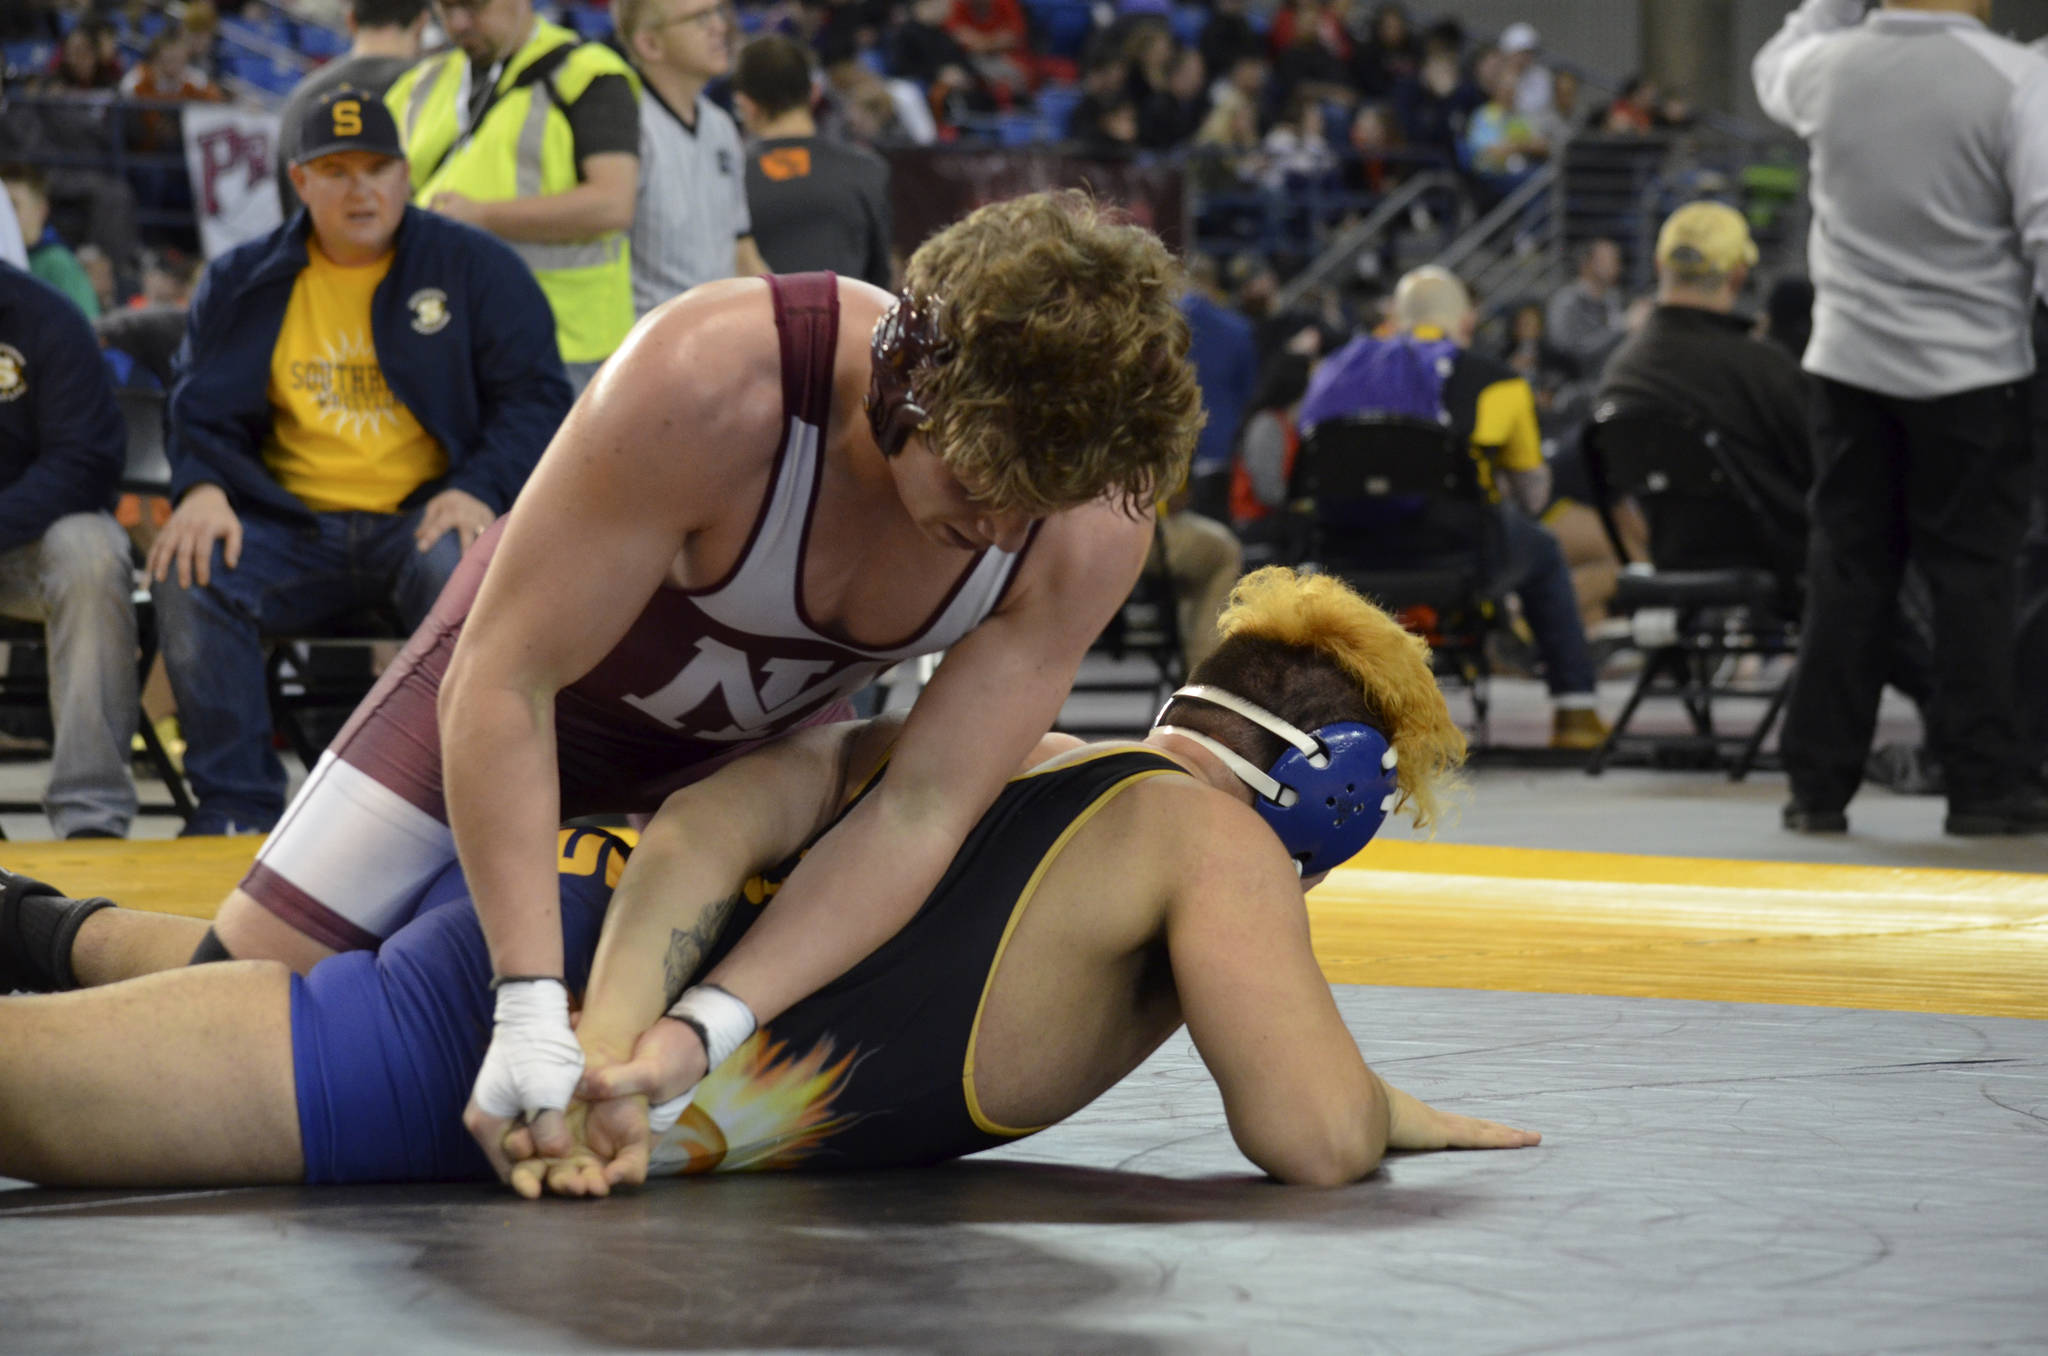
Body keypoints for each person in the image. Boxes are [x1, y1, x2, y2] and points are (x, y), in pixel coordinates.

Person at [179, 190, 1202, 1177]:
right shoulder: (716, 380)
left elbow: (919, 810)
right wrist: (528, 1003)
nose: (998, 535)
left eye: (1036, 510)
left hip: (743, 766)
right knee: (244, 998)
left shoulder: (1088, 525)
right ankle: (32, 926)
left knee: (551, 1043)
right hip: (528, 691)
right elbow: (503, 680)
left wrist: (705, 1025)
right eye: (980, 491)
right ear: (903, 386)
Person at [0, 568, 1539, 1192]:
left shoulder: (1021, 750)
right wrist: (599, 1057)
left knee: (301, 1006)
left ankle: (37, 926)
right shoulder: (1225, 848)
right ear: (1335, 803)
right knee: (69, 1107)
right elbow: (1311, 1137)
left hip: (580, 919)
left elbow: (715, 821)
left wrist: (594, 1013)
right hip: (547, 1030)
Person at [154, 90, 571, 838]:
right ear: (300, 181)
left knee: (467, 568)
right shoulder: (243, 279)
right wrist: (204, 486)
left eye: (377, 168)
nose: (360, 188)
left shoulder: (477, 269)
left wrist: (477, 488)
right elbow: (195, 405)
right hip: (287, 525)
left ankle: (457, 809)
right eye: (335, 170)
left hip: (421, 517)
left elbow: (537, 398)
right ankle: (235, 810)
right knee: (193, 566)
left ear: (406, 176)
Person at [1755, 0, 2048, 835]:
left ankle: (1816, 787)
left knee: (1848, 577)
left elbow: (1776, 56)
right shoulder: (2018, 80)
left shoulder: (1827, 67)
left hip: (1848, 371)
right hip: (1975, 377)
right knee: (1974, 586)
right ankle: (1982, 788)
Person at [1299, 266, 1607, 750]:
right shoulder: (1497, 382)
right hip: (1457, 557)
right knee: (1544, 550)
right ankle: (1575, 711)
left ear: (1395, 318)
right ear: (1466, 322)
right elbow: (1533, 498)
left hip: (1346, 555)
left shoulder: (1330, 373)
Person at [384, 0, 640, 392]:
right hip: (447, 337)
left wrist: (482, 217)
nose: (458, 23)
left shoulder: (588, 74)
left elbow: (612, 203)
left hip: (566, 344)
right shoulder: (419, 86)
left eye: (474, 7)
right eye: (445, 9)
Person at [0, 261, 139, 839]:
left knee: (93, 550)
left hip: (24, 543)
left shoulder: (45, 318)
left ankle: (92, 815)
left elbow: (85, 462)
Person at [613, 0, 769, 318]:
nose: (720, 27)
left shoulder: (721, 126)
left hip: (721, 336)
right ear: (650, 44)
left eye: (718, 12)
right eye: (700, 18)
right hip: (648, 341)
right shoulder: (622, 127)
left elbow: (741, 249)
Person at [732, 34, 892, 289]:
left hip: (753, 325)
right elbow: (881, 279)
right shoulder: (868, 170)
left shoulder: (727, 176)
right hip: (851, 324)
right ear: (815, 93)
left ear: (746, 105)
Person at [273, 0, 428, 216]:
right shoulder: (438, 90)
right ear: (423, 21)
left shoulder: (303, 97)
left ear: (350, 20)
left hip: (317, 244)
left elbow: (289, 203)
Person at [1180, 251, 1259, 520]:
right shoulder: (1239, 329)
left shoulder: (1160, 325)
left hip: (1170, 453)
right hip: (1219, 450)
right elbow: (1249, 394)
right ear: (1214, 285)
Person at [0, 164, 97, 318]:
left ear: (41, 209)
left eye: (13, 205)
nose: (3, 215)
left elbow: (87, 330)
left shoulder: (59, 264)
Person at [1544, 239, 1631, 381]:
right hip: (1576, 385)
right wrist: (1622, 327)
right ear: (1587, 264)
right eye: (1608, 259)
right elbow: (1570, 352)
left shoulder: (1618, 299)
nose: (1616, 264)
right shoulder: (1566, 301)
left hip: (1613, 381)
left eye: (1617, 258)